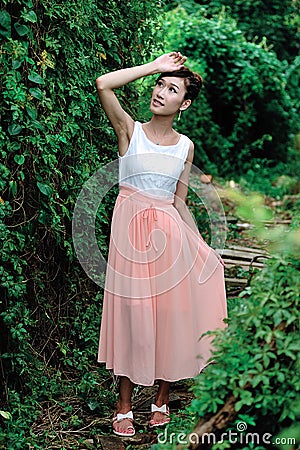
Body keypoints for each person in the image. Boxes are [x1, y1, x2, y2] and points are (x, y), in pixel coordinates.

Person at [96, 52, 227, 437]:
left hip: (171, 240)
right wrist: (155, 66)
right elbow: (104, 83)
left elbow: (180, 202)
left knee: (169, 316)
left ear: (183, 103)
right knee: (134, 317)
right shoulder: (129, 130)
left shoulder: (184, 147)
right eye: (159, 84)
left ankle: (162, 398)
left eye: (172, 89)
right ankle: (123, 405)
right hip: (131, 242)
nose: (161, 92)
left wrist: (203, 249)